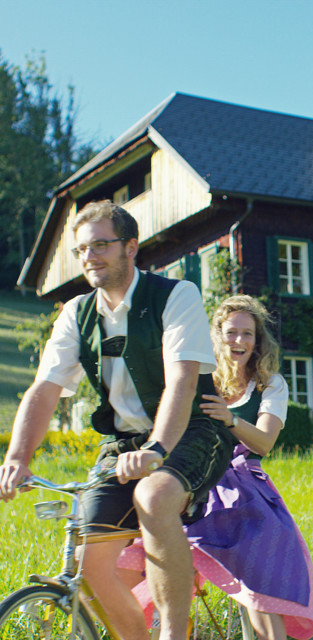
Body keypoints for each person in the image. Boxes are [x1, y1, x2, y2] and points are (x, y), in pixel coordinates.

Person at [0, 200, 234, 640]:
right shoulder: (76, 313)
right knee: (88, 566)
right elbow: (44, 389)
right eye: (82, 250)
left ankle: (174, 635)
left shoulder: (174, 296)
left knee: (154, 497)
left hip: (192, 430)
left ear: (131, 246)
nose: (89, 257)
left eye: (101, 245)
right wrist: (17, 457)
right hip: (123, 442)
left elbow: (182, 382)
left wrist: (157, 451)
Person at [119, 295, 313, 640]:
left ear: (258, 341)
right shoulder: (197, 376)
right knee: (139, 550)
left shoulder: (269, 384)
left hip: (244, 485)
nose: (239, 341)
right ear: (217, 335)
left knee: (262, 551)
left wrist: (230, 419)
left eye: (248, 334)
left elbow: (264, 442)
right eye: (231, 332)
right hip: (193, 475)